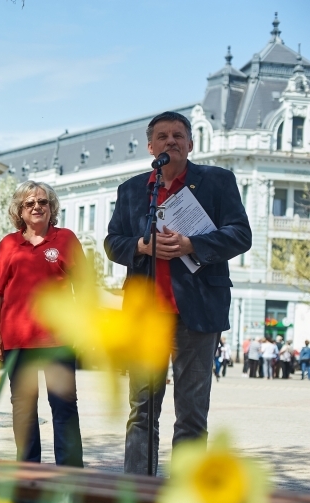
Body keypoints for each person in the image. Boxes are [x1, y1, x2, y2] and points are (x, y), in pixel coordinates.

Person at [104, 111, 252, 475]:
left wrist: (192, 244)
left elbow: (240, 234)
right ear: (151, 146)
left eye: (178, 135)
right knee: (142, 410)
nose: (171, 141)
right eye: (163, 136)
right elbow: (112, 242)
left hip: (198, 314)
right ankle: (138, 496)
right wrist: (141, 246)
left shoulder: (217, 181)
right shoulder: (132, 190)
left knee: (191, 413)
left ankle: (185, 496)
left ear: (190, 143)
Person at [0, 181, 85, 467]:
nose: (37, 207)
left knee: (64, 408)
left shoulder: (66, 239)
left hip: (58, 340)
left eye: (42, 202)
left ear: (51, 207)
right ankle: (28, 473)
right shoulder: (8, 244)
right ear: (19, 210)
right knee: (24, 409)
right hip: (17, 341)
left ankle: (71, 476)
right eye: (29, 203)